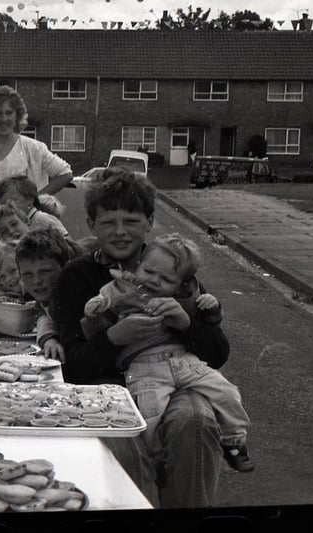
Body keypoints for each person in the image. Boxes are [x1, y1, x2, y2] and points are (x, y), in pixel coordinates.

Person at [52, 168, 230, 507]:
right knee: (121, 443)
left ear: (149, 222)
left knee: (196, 422)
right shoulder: (76, 277)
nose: (120, 232)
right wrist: (114, 337)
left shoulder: (174, 268)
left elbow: (218, 351)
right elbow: (71, 367)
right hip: (107, 389)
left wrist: (185, 326)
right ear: (91, 225)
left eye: (132, 221)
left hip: (177, 383)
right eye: (108, 222)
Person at [82, 233, 253, 472]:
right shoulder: (118, 289)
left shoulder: (184, 297)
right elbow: (95, 330)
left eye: (166, 279)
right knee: (151, 415)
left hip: (185, 361)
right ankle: (157, 459)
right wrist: (94, 312)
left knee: (227, 393)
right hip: (143, 366)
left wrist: (210, 307)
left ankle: (234, 442)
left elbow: (208, 326)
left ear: (180, 283)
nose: (154, 281)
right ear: (138, 265)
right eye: (149, 272)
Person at [0, 85, 73, 225]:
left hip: (25, 226)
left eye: (9, 113)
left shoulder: (33, 148)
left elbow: (65, 173)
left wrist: (35, 200)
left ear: (17, 116)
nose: (3, 119)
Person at [15, 228, 82, 360]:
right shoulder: (48, 297)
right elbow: (41, 310)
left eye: (45, 271)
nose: (36, 281)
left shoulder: (77, 299)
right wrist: (48, 339)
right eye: (28, 274)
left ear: (65, 268)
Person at [0, 175, 69, 237]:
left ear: (30, 199)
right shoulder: (17, 223)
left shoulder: (41, 218)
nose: (9, 207)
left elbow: (66, 240)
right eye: (3, 204)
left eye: (14, 200)